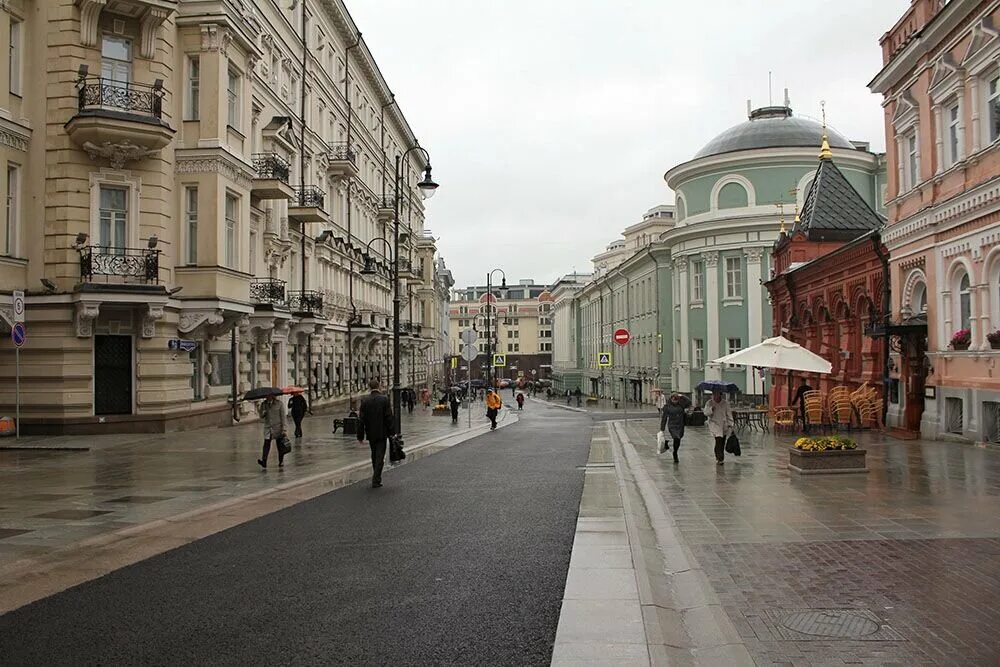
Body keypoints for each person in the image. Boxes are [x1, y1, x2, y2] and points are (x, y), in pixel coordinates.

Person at [357, 379, 394, 488]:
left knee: (374, 454)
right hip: (382, 433)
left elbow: (361, 420)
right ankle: (376, 478)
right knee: (380, 456)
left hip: (370, 433)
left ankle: (376, 476)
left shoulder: (365, 401)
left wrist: (360, 435)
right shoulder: (384, 400)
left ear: (369, 387)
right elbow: (389, 417)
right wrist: (392, 432)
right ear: (379, 386)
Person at [256, 395, 287, 469]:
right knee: (266, 444)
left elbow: (283, 417)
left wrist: (284, 429)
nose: (267, 397)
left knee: (280, 446)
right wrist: (260, 409)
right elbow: (261, 416)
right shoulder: (264, 404)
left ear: (272, 396)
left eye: (269, 396)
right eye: (266, 396)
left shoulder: (279, 404)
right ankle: (264, 461)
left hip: (278, 427)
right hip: (268, 428)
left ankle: (281, 461)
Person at [705, 389, 734, 465]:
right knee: (718, 439)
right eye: (714, 394)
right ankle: (719, 457)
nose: (715, 396)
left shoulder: (725, 403)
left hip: (724, 424)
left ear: (720, 395)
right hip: (714, 424)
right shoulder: (709, 403)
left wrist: (731, 424)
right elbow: (706, 413)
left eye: (717, 394)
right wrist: (711, 409)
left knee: (722, 441)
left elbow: (729, 414)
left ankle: (720, 455)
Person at [659, 393, 690, 463]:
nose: (674, 400)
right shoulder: (667, 407)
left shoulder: (681, 405)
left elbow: (689, 402)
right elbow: (664, 418)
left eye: (676, 399)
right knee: (676, 437)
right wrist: (662, 428)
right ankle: (675, 454)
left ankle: (675, 450)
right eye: (673, 398)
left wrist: (682, 396)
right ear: (671, 399)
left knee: (678, 439)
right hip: (672, 425)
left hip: (680, 425)